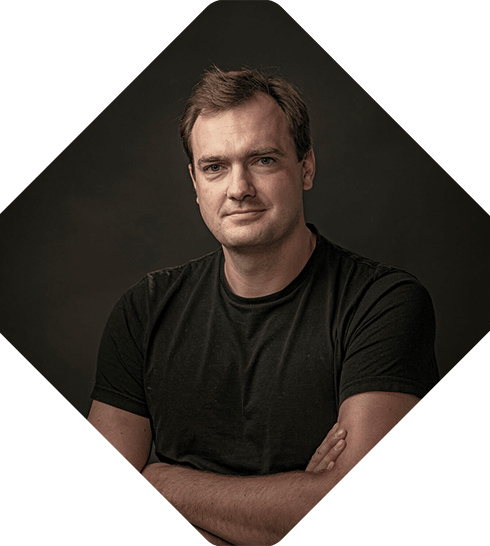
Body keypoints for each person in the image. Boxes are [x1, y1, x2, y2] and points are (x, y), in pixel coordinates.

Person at [88, 66, 439, 546]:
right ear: (195, 182)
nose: (238, 189)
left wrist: (159, 482)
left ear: (307, 167)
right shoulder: (144, 311)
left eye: (264, 160)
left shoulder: (381, 304)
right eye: (214, 167)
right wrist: (294, 501)